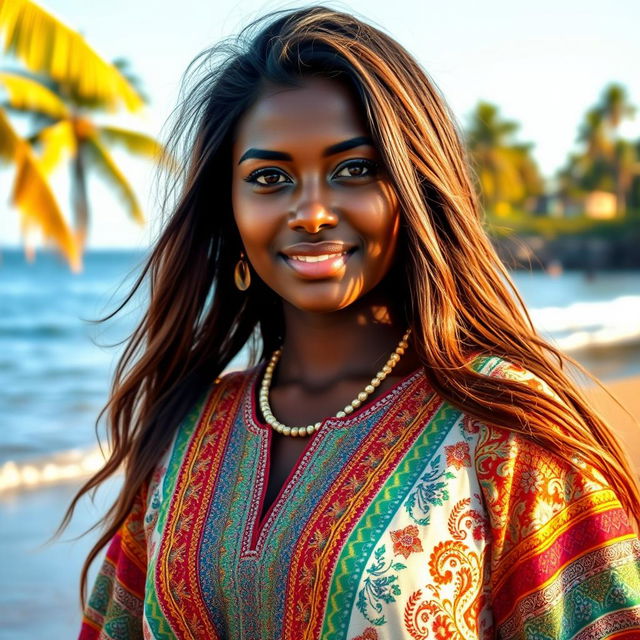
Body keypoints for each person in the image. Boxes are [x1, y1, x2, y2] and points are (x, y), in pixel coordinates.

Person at [68, 7, 640, 639]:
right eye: (269, 178)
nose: (311, 211)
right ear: (228, 209)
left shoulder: (507, 429)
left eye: (355, 169)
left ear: (414, 186)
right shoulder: (186, 432)